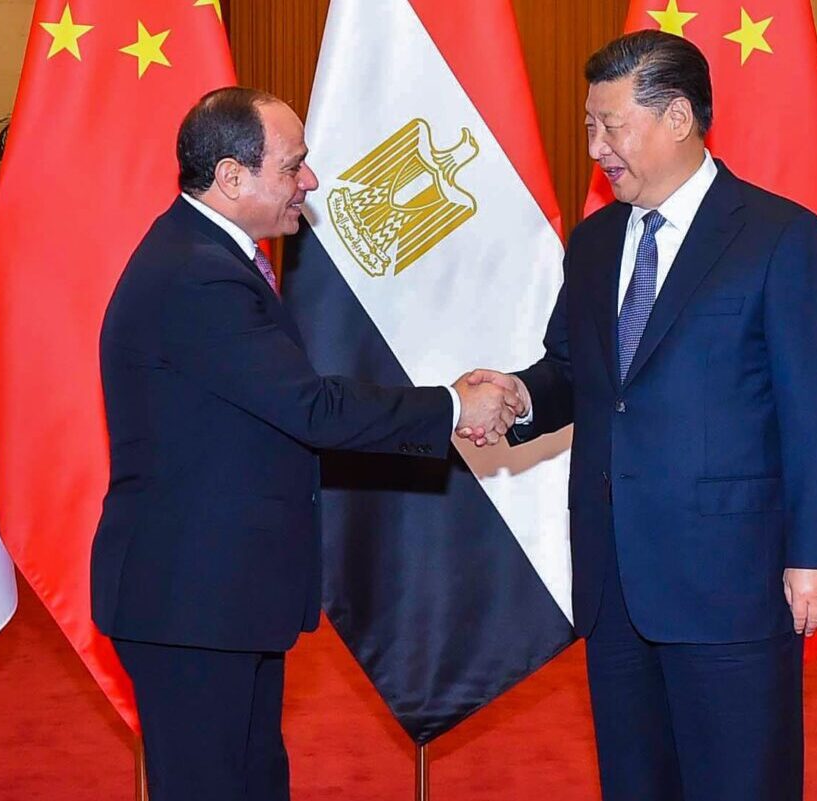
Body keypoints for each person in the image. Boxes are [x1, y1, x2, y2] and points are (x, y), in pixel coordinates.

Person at [90, 87, 518, 801]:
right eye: (294, 167)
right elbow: (311, 407)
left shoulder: (207, 256)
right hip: (189, 602)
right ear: (232, 179)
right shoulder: (196, 274)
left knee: (254, 780)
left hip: (220, 597)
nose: (311, 182)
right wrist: (452, 404)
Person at [462, 31, 817, 801]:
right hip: (614, 579)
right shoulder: (596, 239)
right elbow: (578, 373)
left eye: (612, 124)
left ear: (678, 118)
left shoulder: (779, 235)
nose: (596, 146)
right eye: (588, 125)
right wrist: (519, 395)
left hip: (731, 581)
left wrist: (815, 551)